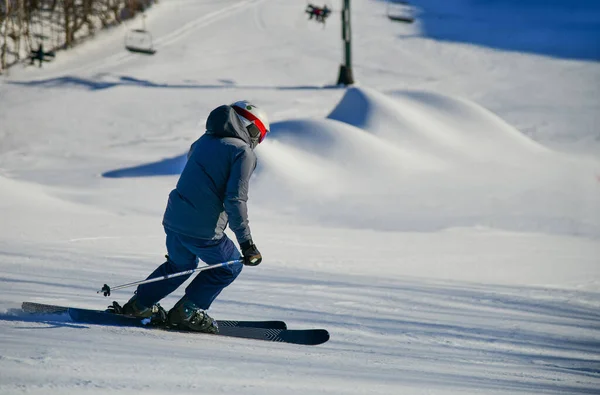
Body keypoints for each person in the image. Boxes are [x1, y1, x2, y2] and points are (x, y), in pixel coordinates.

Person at [119, 100, 270, 333]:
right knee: (229, 266)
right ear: (250, 127)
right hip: (204, 229)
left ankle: (140, 305)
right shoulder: (243, 152)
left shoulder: (203, 141)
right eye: (260, 135)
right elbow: (235, 200)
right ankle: (186, 312)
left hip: (174, 219)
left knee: (180, 265)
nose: (259, 141)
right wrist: (247, 244)